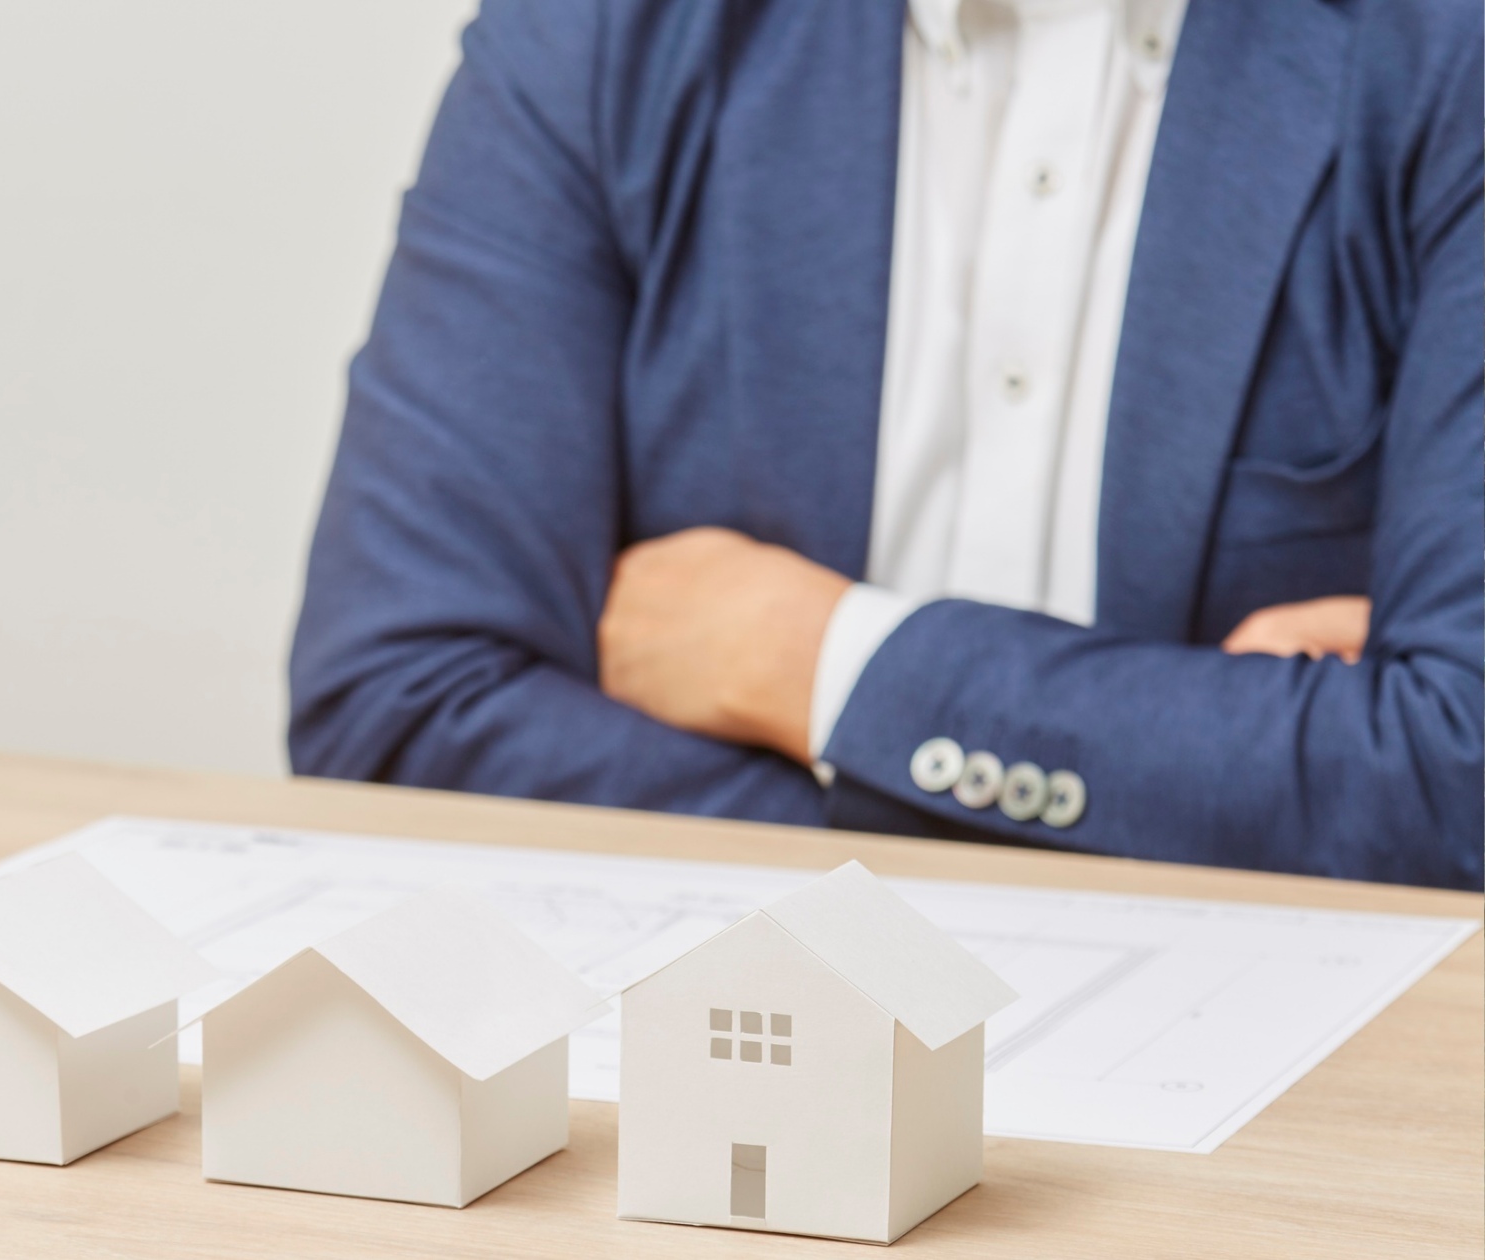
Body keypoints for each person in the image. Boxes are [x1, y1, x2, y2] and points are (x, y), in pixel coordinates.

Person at [287, 0, 1483, 889]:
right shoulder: (605, 36)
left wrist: (818, 667)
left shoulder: (1439, 54)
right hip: (716, 1067)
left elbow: (1458, 784)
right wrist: (1186, 783)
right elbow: (395, 712)